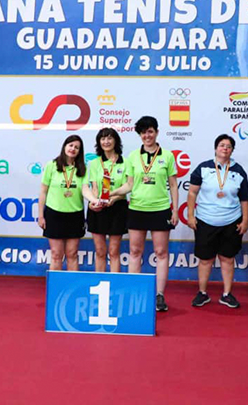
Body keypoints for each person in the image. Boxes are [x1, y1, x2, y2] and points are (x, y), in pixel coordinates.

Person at [111, 116, 178, 312]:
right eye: (143, 132)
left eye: (150, 131)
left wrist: (175, 209)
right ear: (139, 135)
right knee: (134, 252)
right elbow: (130, 184)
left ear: (156, 132)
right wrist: (111, 193)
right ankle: (134, 292)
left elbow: (173, 184)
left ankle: (159, 295)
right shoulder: (133, 156)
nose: (146, 136)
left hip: (160, 209)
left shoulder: (167, 155)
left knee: (161, 253)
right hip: (137, 209)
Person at [187, 134, 248, 308]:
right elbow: (192, 193)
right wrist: (191, 216)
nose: (225, 148)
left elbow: (245, 199)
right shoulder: (203, 168)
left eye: (228, 146)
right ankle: (202, 293)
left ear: (232, 150)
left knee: (227, 258)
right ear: (216, 148)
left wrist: (245, 221)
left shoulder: (239, 170)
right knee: (205, 259)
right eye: (222, 145)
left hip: (231, 221)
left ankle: (227, 294)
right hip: (205, 220)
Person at [38, 135, 87, 271]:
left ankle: (71, 289)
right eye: (70, 145)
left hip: (75, 215)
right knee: (56, 254)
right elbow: (43, 192)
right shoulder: (52, 165)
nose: (73, 149)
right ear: (65, 146)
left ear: (79, 152)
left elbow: (86, 191)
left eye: (76, 147)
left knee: (72, 254)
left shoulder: (83, 169)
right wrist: (41, 215)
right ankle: (55, 288)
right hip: (54, 215)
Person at [82, 128, 128, 273]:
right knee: (100, 251)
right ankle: (99, 282)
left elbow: (126, 188)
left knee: (114, 251)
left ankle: (114, 286)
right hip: (99, 208)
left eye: (109, 138)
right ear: (99, 142)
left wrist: (113, 199)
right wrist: (96, 202)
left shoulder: (125, 162)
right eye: (102, 139)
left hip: (117, 208)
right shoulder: (95, 163)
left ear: (116, 141)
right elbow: (94, 187)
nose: (106, 142)